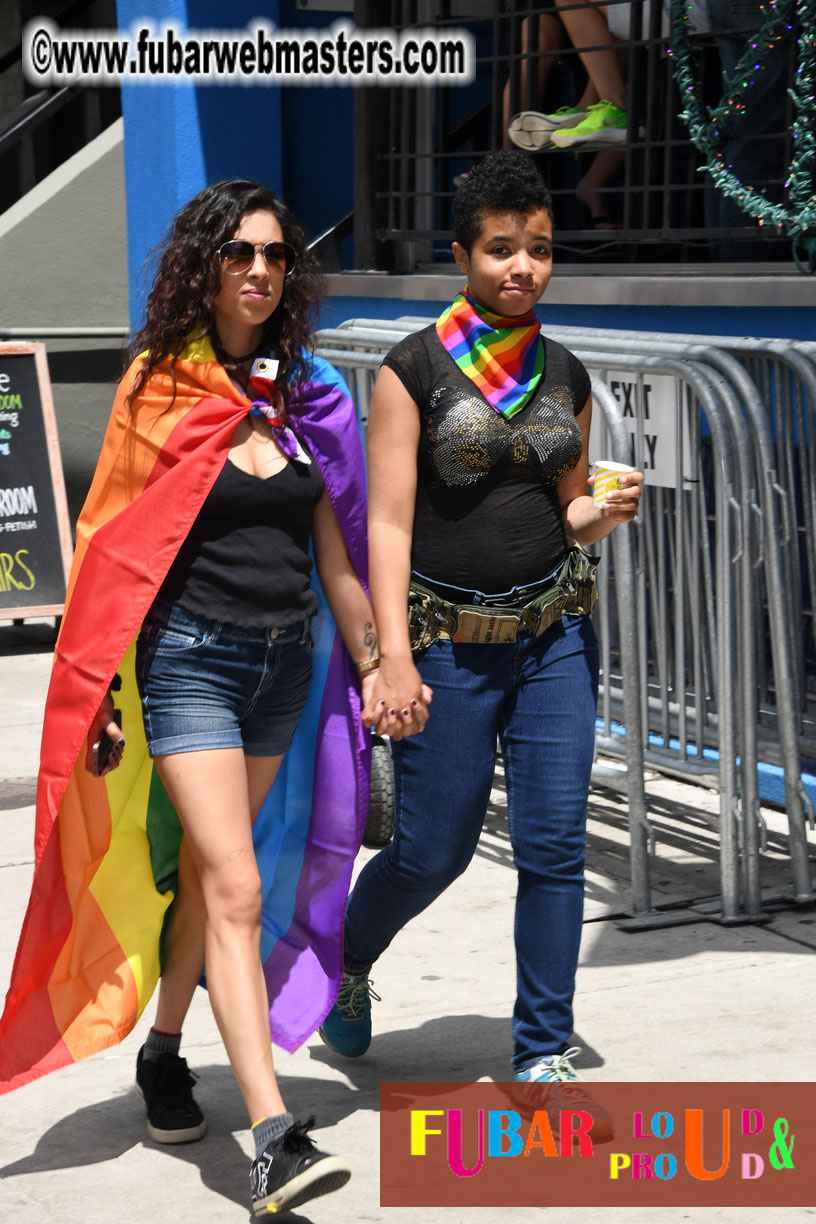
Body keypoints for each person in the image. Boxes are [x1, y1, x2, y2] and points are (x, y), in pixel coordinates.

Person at [0, 179, 388, 1218]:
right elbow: (108, 546)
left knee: (221, 887)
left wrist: (379, 664)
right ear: (204, 267)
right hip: (189, 666)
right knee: (238, 887)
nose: (259, 270)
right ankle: (272, 1138)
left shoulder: (308, 395)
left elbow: (339, 556)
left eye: (275, 255)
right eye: (238, 253)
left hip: (281, 670)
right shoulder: (157, 388)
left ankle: (165, 1051)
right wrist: (97, 691)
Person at [320, 151, 643, 1110]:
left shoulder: (565, 369)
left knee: (555, 847)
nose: (522, 267)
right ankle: (346, 958)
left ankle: (541, 1050)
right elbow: (386, 523)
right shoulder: (412, 370)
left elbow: (569, 508)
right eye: (502, 248)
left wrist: (603, 512)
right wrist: (392, 659)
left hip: (554, 640)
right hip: (447, 648)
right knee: (433, 851)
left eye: (538, 248)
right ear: (462, 256)